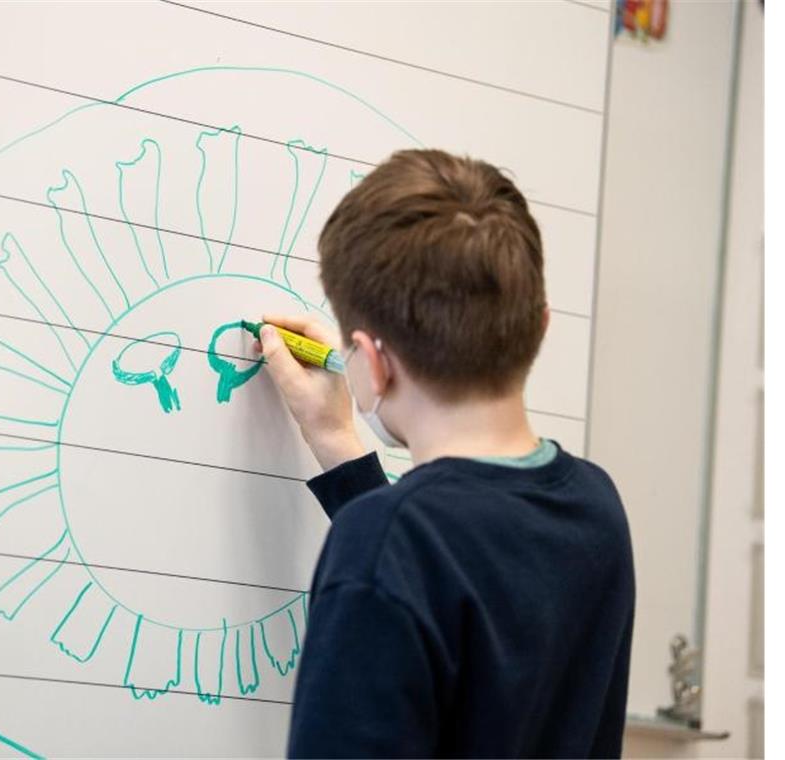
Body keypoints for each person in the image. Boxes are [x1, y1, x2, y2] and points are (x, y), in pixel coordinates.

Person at [254, 149, 635, 758]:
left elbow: (427, 555)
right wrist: (337, 442)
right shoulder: (594, 505)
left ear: (371, 364)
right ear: (539, 326)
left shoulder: (383, 542)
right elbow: (462, 559)